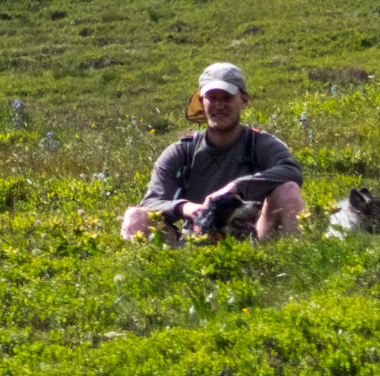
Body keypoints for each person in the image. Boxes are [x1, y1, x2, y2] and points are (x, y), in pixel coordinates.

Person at [121, 62, 306, 243]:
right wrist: (184, 207)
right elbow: (150, 202)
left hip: (254, 238)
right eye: (212, 98)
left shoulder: (260, 144)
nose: (219, 105)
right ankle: (162, 273)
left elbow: (291, 170)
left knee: (288, 190)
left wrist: (236, 187)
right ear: (202, 102)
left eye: (226, 98)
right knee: (134, 215)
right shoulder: (181, 152)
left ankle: (294, 266)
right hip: (194, 244)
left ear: (244, 100)